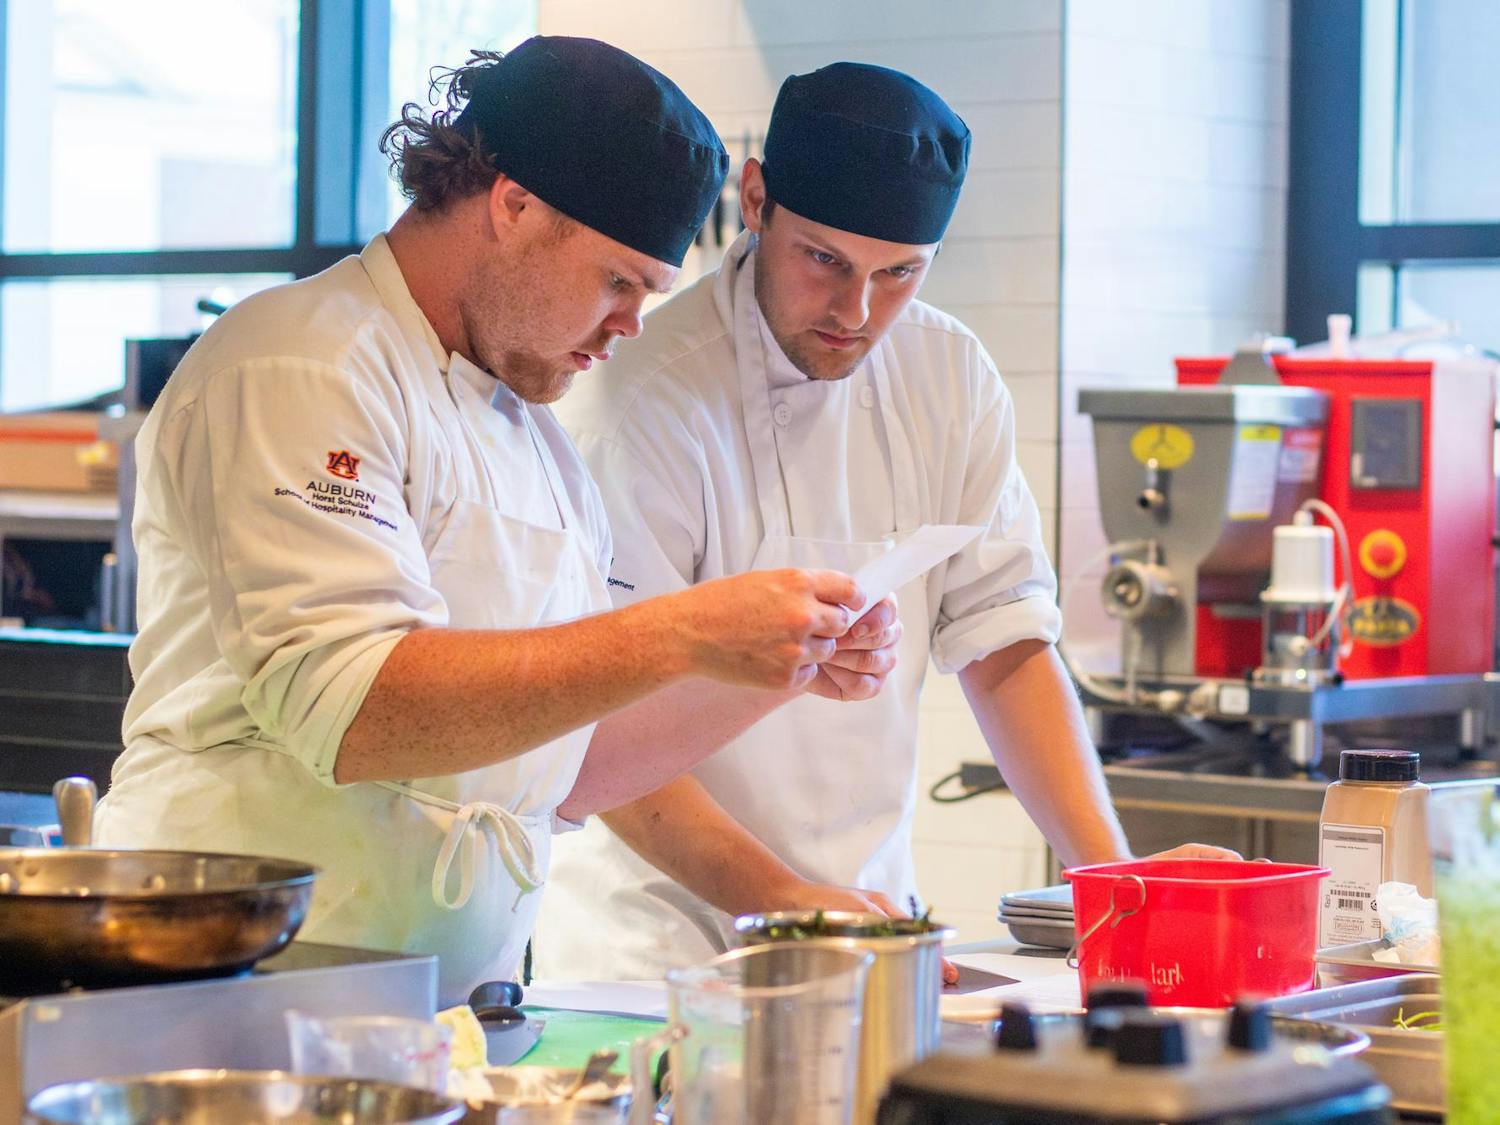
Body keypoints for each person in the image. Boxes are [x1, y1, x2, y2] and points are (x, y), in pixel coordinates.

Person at [93, 38, 901, 1004]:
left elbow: (573, 766)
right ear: (512, 205)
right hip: (242, 988)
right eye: (618, 280)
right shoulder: (301, 366)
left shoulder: (533, 439)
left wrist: (776, 666)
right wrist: (682, 629)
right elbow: (354, 711)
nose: (631, 324)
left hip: (435, 1005)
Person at [535, 62, 1233, 981]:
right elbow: (596, 732)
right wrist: (784, 903)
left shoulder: (950, 378)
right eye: (823, 259)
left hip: (864, 919)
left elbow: (1006, 643)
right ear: (756, 201)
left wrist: (1112, 881)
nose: (856, 312)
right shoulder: (645, 397)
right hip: (658, 944)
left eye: (898, 273)